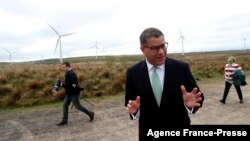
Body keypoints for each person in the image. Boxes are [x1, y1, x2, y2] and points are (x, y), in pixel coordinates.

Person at [125, 27, 204, 140]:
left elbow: (198, 97)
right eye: (154, 48)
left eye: (163, 45)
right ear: (143, 49)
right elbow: (130, 102)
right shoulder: (133, 72)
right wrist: (134, 111)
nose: (161, 52)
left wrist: (189, 105)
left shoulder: (181, 68)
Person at [57, 61, 94, 126]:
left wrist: (62, 84)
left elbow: (70, 84)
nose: (63, 68)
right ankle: (64, 120)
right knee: (65, 105)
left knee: (78, 106)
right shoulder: (69, 73)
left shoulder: (70, 74)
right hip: (69, 93)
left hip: (73, 93)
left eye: (64, 67)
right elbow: (72, 84)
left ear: (68, 67)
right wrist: (64, 84)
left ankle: (90, 113)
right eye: (62, 67)